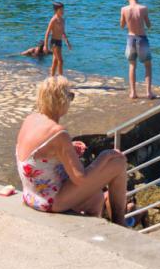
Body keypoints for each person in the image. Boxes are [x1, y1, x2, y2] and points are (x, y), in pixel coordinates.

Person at [15, 76, 128, 225]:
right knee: (118, 162)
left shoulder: (32, 119)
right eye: (71, 96)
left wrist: (68, 150)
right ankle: (120, 224)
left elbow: (40, 155)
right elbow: (81, 178)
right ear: (62, 101)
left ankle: (93, 227)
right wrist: (104, 156)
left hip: (31, 195)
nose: (71, 100)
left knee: (96, 198)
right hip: (49, 201)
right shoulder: (58, 133)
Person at [120, 0, 153, 99]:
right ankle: (148, 92)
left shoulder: (124, 9)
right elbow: (148, 25)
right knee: (147, 66)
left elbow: (122, 25)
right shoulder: (143, 8)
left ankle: (133, 93)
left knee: (132, 65)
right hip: (142, 38)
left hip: (130, 38)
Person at [44, 2, 71, 77]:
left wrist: (67, 42)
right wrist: (45, 46)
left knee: (55, 61)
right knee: (61, 61)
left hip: (59, 42)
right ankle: (61, 79)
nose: (63, 11)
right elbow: (47, 33)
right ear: (56, 10)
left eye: (63, 9)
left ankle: (51, 78)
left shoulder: (62, 20)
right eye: (61, 9)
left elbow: (63, 32)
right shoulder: (53, 20)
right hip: (54, 42)